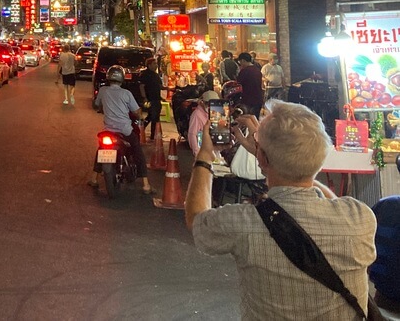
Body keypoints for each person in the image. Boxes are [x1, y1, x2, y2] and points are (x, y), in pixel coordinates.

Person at [186, 101, 377, 320]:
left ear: (261, 159)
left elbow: (196, 220)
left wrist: (205, 156)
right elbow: (332, 203)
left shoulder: (242, 223)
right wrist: (271, 155)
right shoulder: (361, 218)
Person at [91, 65, 153, 194]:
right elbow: (136, 111)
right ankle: (146, 185)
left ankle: (94, 179)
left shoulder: (103, 90)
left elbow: (96, 105)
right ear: (122, 78)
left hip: (108, 130)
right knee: (137, 151)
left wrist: (102, 107)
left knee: (100, 150)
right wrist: (141, 115)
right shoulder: (126, 93)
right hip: (125, 130)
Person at [139, 57, 164, 140]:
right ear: (149, 65)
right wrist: (144, 98)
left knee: (152, 116)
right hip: (150, 99)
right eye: (154, 64)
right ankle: (152, 134)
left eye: (156, 64)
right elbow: (142, 86)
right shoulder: (145, 74)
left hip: (156, 99)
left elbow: (159, 86)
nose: (156, 65)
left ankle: (143, 130)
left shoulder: (156, 75)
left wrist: (169, 89)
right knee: (153, 117)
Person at [235, 52, 264, 117]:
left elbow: (238, 84)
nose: (240, 64)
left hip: (248, 100)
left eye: (240, 62)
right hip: (258, 99)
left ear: (243, 60)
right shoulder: (257, 70)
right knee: (255, 120)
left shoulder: (244, 71)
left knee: (247, 120)